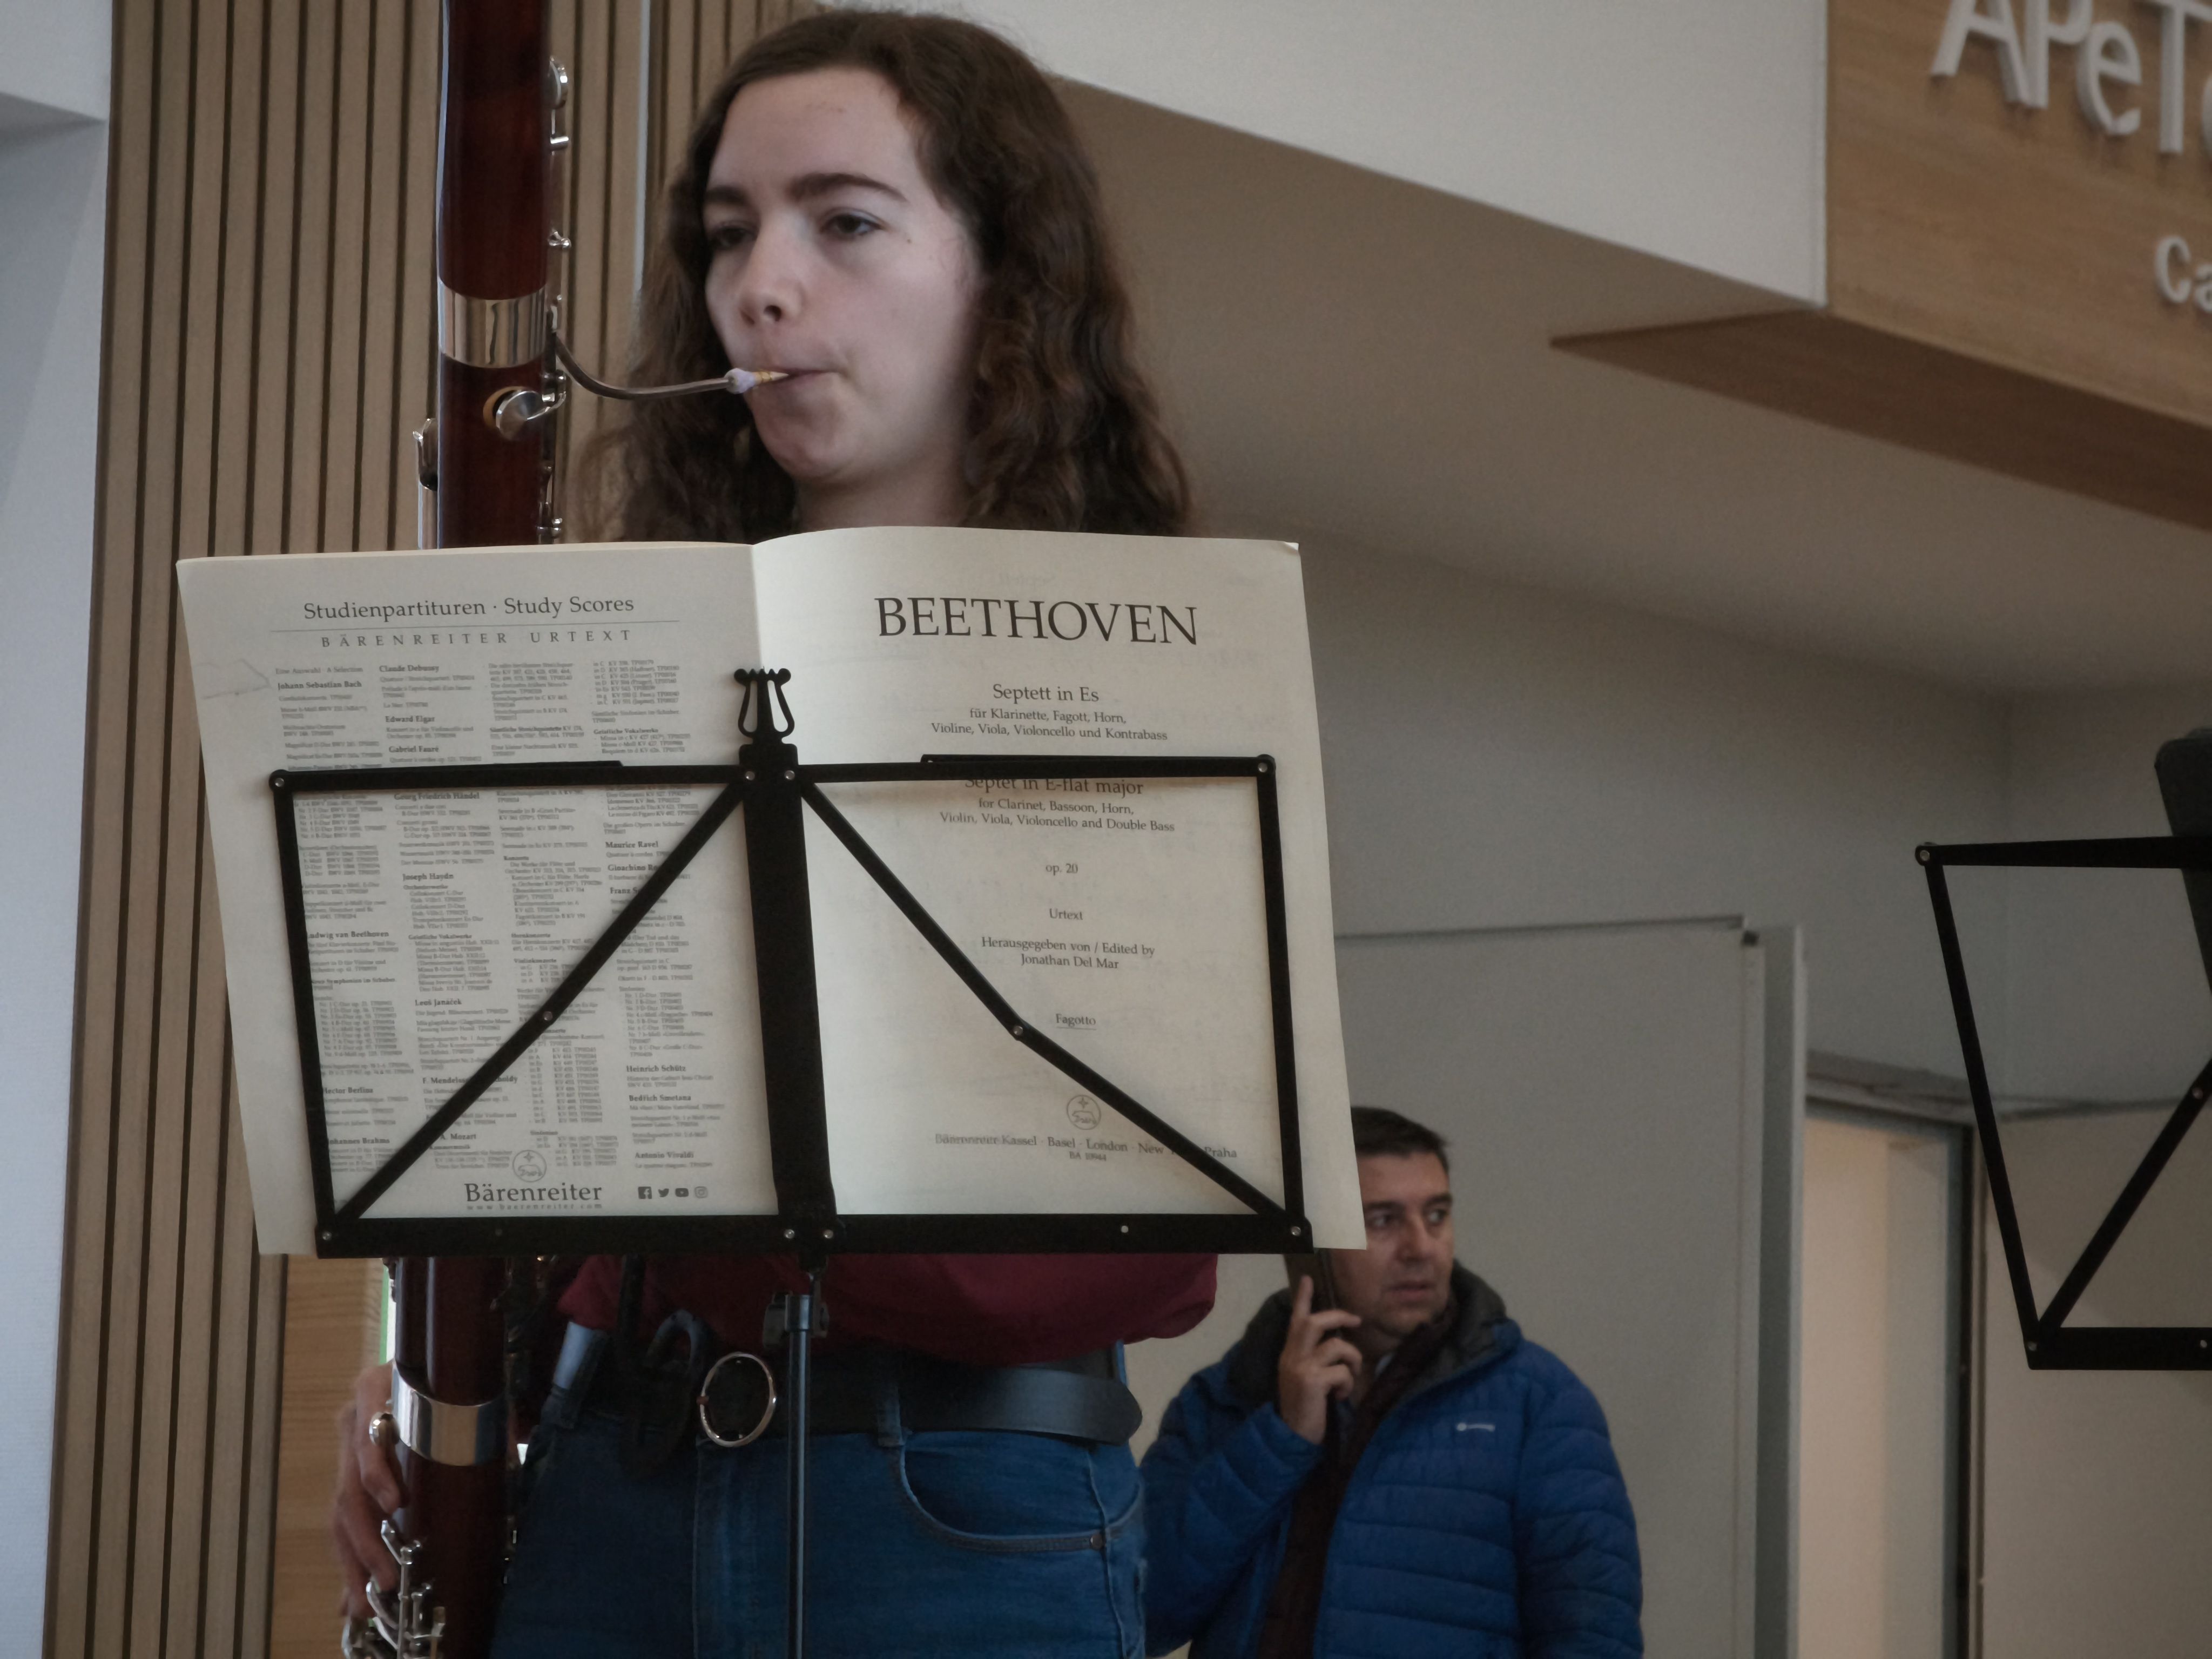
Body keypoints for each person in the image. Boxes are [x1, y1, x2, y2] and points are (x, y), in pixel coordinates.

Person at [331, 13, 1204, 1657]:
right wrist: (438, 1369)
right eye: (730, 233)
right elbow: (519, 1107)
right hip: (609, 1473)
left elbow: (1149, 1248)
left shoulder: (1149, 668)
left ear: (1002, 276)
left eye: (844, 221)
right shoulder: (622, 647)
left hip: (958, 1497)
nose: (762, 286)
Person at [1140, 1107, 1643, 1658]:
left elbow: (1595, 1640)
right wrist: (1278, 1439)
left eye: (1436, 1215)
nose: (1421, 1248)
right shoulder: (1223, 1398)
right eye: (1381, 1220)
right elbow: (1139, 1615)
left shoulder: (1539, 1404)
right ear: (1308, 1248)